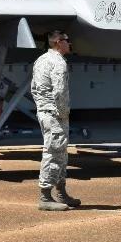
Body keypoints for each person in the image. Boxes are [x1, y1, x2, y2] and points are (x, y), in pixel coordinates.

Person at [31, 30, 78, 211]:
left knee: (60, 152)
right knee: (54, 151)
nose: (69, 43)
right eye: (67, 40)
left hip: (46, 112)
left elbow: (34, 88)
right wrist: (63, 111)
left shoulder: (41, 60)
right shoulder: (58, 63)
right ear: (58, 42)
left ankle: (61, 192)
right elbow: (59, 92)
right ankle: (45, 196)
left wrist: (42, 106)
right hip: (56, 114)